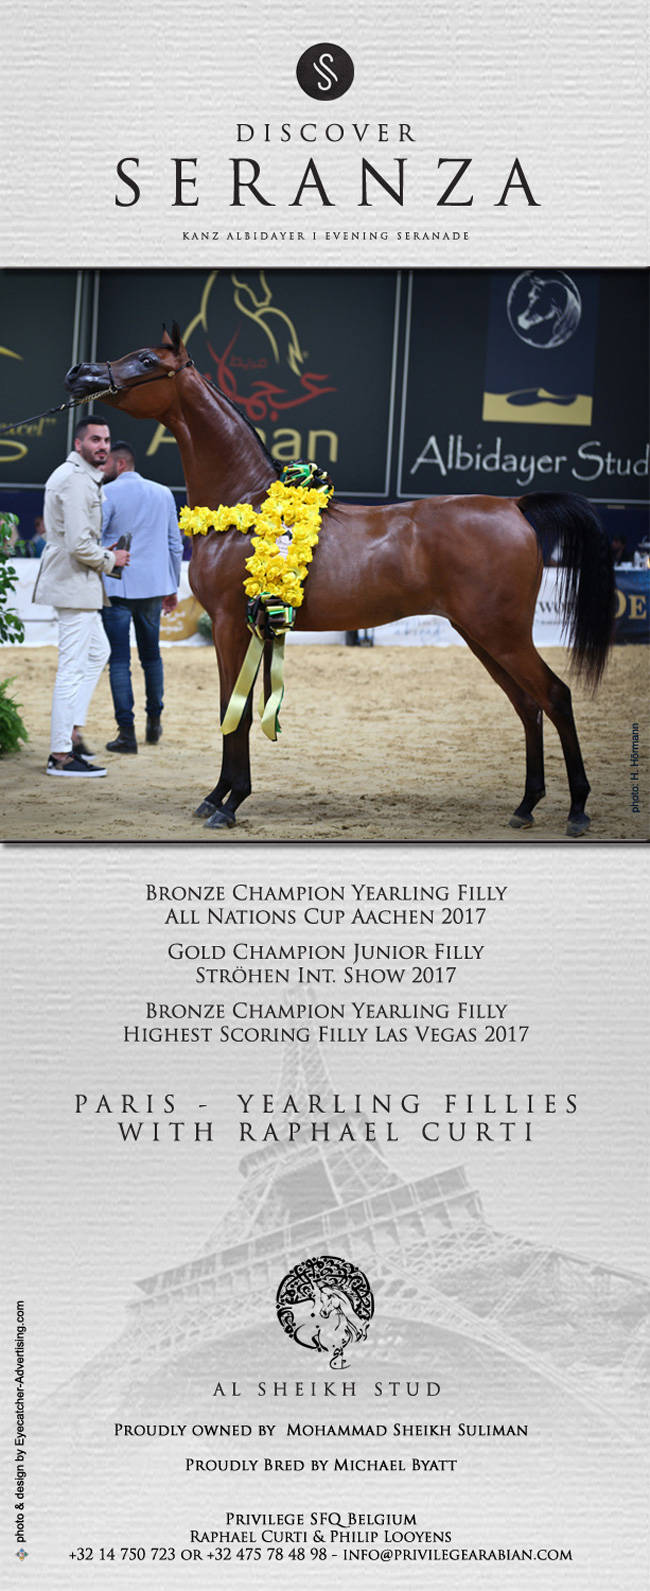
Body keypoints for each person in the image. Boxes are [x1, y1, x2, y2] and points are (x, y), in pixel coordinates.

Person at [34, 416, 130, 778]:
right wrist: (111, 559)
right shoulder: (75, 480)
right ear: (79, 444)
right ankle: (60, 754)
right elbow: (77, 544)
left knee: (97, 653)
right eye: (95, 440)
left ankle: (72, 732)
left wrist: (103, 553)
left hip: (79, 582)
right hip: (73, 582)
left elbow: (77, 539)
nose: (103, 446)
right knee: (71, 668)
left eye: (106, 440)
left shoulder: (82, 477)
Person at [100, 442, 183, 752]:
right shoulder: (163, 493)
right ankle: (154, 723)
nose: (103, 467)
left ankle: (126, 733)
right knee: (152, 657)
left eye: (107, 462)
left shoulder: (106, 493)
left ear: (120, 464)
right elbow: (175, 545)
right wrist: (172, 586)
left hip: (117, 585)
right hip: (153, 586)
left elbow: (95, 539)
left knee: (119, 661)